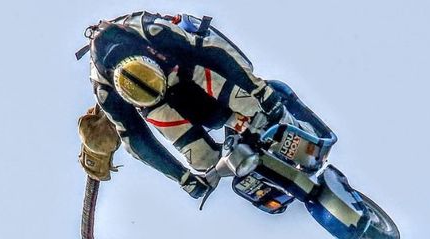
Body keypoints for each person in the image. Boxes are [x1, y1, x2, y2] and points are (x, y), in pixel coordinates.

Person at [78, 12, 330, 198]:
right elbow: (136, 141)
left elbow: (213, 51)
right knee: (202, 162)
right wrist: (182, 177)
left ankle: (284, 122)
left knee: (252, 100)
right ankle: (262, 178)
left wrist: (261, 92)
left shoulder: (148, 30)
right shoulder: (105, 91)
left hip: (185, 63)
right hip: (159, 105)